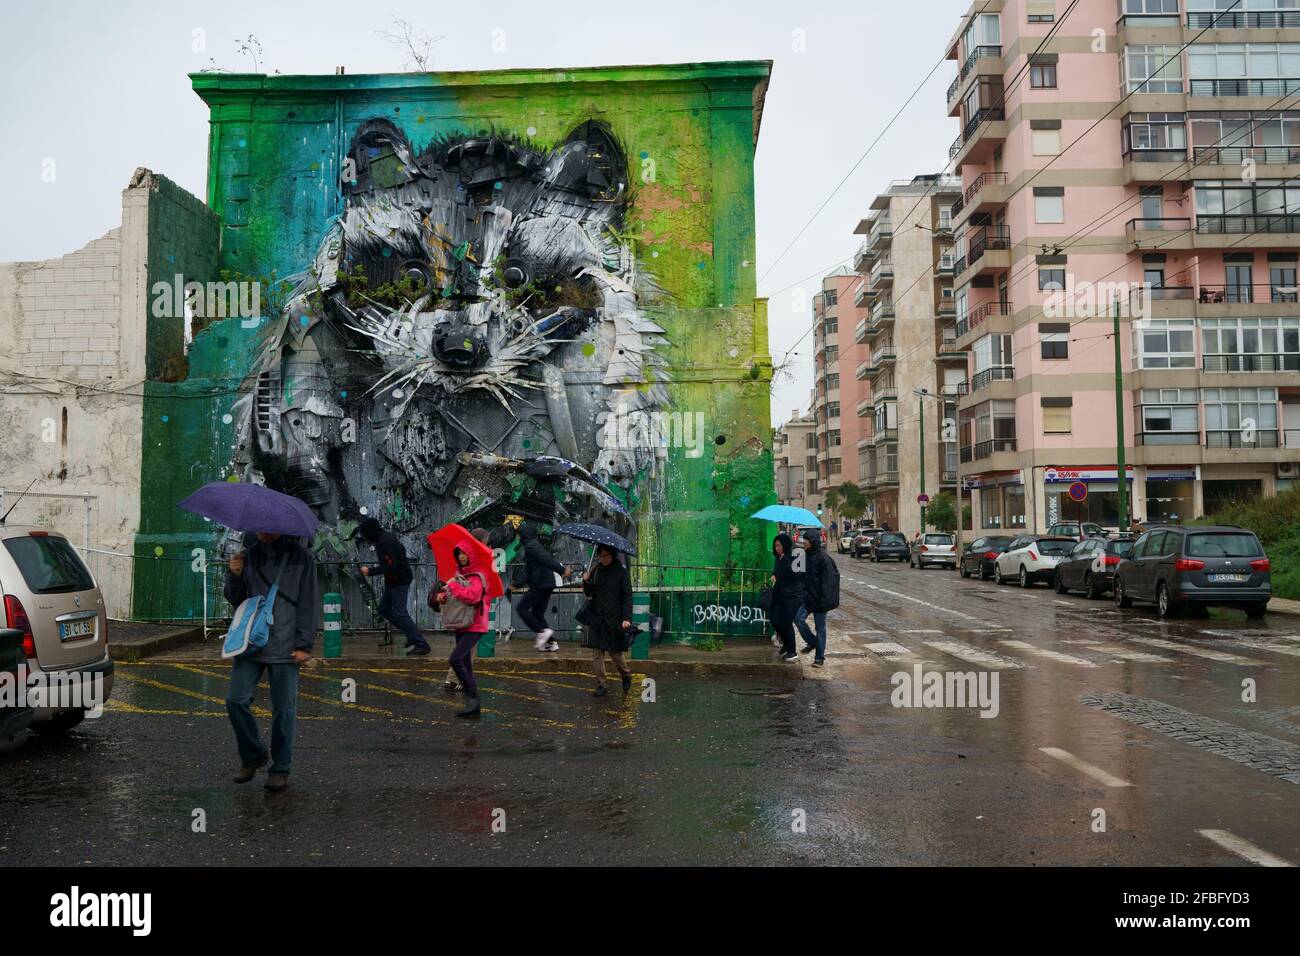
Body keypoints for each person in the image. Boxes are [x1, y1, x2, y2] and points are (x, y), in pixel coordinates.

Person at [224, 531, 319, 792]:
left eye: (269, 526)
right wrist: (234, 574)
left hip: (286, 645)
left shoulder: (302, 558)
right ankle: (254, 754)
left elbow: (310, 601)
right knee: (235, 700)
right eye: (260, 526)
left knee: (284, 710)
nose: (263, 531)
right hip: (251, 642)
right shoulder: (248, 556)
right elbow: (235, 599)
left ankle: (280, 768)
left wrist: (304, 644)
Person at [355, 516, 430, 656]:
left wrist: (370, 571)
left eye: (364, 533)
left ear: (370, 531)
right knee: (384, 609)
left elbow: (393, 565)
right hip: (393, 580)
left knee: (400, 614)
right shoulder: (381, 539)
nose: (364, 537)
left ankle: (421, 644)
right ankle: (411, 634)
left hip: (400, 580)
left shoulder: (385, 541)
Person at [434, 545, 490, 717]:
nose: (462, 556)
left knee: (456, 659)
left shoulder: (478, 576)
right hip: (461, 623)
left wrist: (454, 587)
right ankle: (474, 705)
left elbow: (472, 597)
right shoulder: (459, 575)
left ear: (471, 555)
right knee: (465, 663)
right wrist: (443, 596)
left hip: (476, 624)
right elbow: (456, 597)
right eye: (459, 553)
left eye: (465, 553)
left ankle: (472, 696)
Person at [581, 545, 633, 697]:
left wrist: (626, 618)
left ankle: (625, 674)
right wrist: (586, 581)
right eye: (600, 556)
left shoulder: (621, 573)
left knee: (615, 653)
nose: (602, 559)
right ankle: (601, 684)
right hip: (598, 618)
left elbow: (627, 596)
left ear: (612, 555)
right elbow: (589, 593)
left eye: (605, 556)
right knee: (597, 653)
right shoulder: (596, 571)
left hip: (614, 619)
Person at [514, 523, 572, 652]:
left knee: (522, 608)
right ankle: (551, 643)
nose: (518, 539)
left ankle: (542, 631)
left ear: (524, 534)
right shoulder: (533, 545)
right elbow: (529, 571)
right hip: (545, 583)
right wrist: (517, 584)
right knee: (537, 613)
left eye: (519, 535)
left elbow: (546, 559)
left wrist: (562, 570)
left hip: (540, 584)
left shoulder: (531, 546)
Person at [795, 529, 834, 667]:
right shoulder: (805, 556)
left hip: (820, 601)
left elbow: (828, 582)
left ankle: (819, 658)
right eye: (804, 539)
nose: (804, 541)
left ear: (813, 541)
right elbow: (803, 577)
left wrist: (824, 600)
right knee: (798, 619)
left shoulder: (824, 559)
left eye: (806, 539)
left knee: (820, 628)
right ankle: (812, 642)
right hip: (808, 599)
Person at [769, 532, 804, 662]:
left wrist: (785, 560)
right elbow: (777, 572)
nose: (778, 548)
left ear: (786, 545)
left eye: (780, 546)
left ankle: (792, 650)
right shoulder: (778, 558)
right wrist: (774, 575)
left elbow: (797, 575)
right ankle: (786, 644)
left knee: (785, 622)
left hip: (793, 596)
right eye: (776, 546)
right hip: (780, 595)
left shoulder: (796, 556)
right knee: (774, 620)